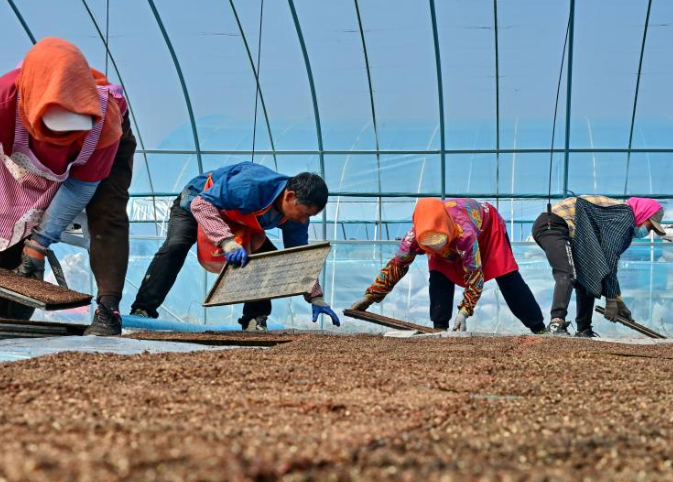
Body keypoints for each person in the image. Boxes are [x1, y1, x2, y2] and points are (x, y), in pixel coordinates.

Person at [0, 37, 135, 335]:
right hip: (21, 155)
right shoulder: (4, 102)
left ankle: (108, 311)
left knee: (108, 214)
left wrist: (38, 244)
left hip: (105, 149)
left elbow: (79, 188)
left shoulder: (104, 122)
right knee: (13, 218)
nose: (60, 142)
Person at [131, 161, 340, 330]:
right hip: (197, 202)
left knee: (266, 258)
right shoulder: (250, 185)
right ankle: (143, 309)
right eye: (304, 213)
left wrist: (315, 296)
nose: (304, 220)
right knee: (176, 246)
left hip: (236, 219)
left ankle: (254, 319)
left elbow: (298, 257)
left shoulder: (296, 219)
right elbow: (201, 205)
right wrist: (227, 241)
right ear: (290, 196)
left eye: (309, 216)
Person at [350, 197, 546, 333]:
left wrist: (464, 312)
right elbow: (396, 266)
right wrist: (369, 297)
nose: (442, 251)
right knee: (438, 274)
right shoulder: (414, 238)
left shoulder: (465, 233)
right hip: (445, 236)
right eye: (433, 247)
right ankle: (440, 326)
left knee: (506, 275)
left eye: (441, 244)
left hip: (487, 231)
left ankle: (538, 327)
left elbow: (474, 274)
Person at [532, 195, 666, 337]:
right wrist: (611, 300)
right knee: (567, 272)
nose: (648, 232)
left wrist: (618, 301)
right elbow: (610, 257)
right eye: (650, 226)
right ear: (644, 214)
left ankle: (584, 330)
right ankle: (556, 322)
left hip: (572, 233)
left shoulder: (621, 220)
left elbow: (605, 263)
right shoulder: (625, 215)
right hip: (555, 224)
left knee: (588, 276)